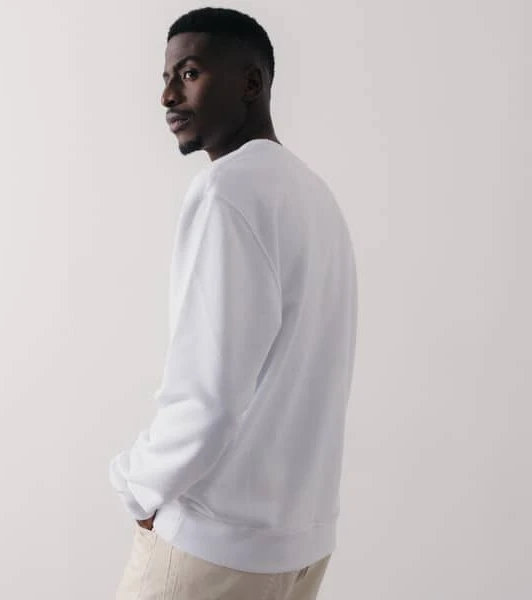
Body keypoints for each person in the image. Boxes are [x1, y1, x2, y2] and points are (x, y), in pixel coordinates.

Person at [109, 6, 358, 599]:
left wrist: (137, 483)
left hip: (214, 548)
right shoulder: (313, 194)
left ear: (251, 82)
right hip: (300, 546)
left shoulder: (227, 190)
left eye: (190, 73)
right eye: (167, 77)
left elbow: (208, 394)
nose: (168, 96)